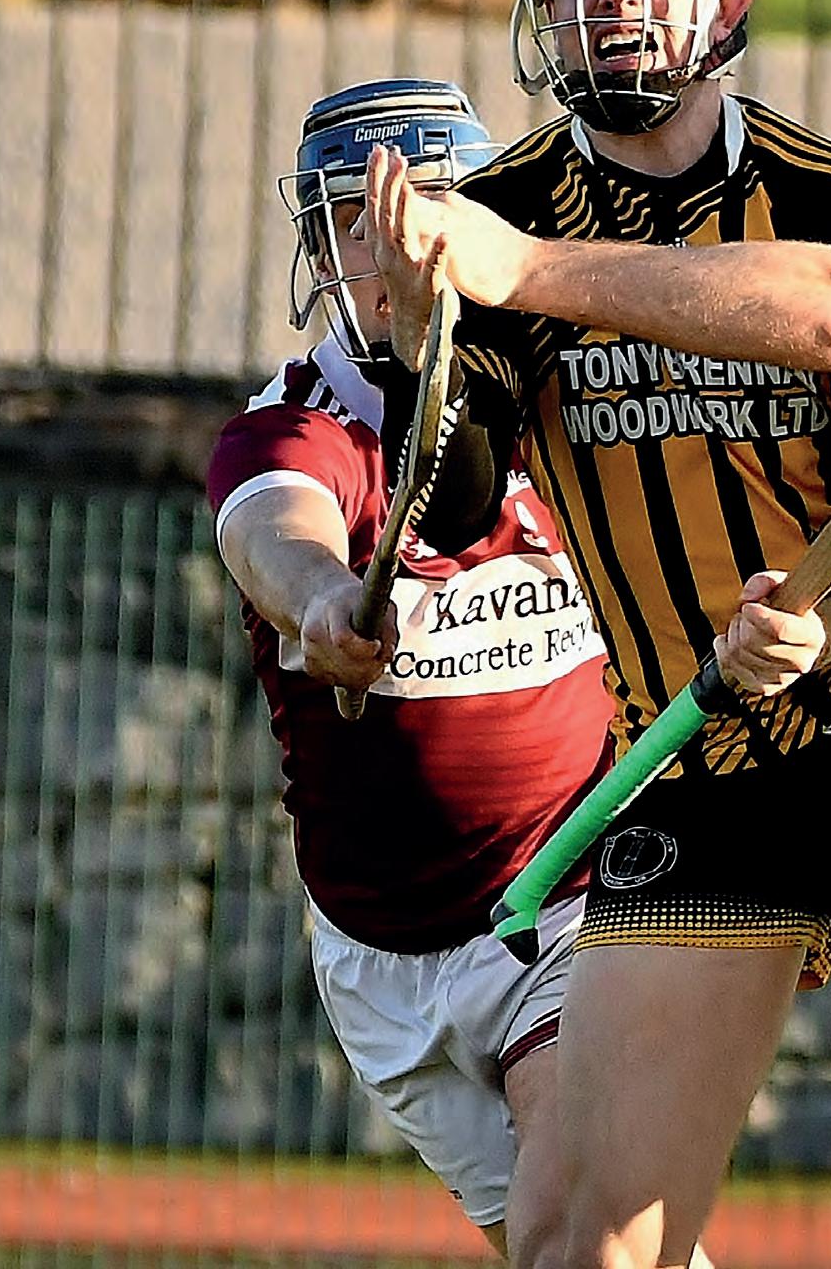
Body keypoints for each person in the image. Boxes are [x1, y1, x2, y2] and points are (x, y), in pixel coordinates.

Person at [362, 0, 831, 1269]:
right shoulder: (498, 214)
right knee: (582, 1241)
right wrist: (417, 352)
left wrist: (828, 629)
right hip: (697, 768)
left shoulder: (830, 203)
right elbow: (456, 509)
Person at [207, 77, 634, 1269]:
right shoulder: (294, 426)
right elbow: (272, 528)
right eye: (359, 220)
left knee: (582, 1244)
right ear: (318, 251)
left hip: (567, 902)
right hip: (375, 954)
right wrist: (320, 599)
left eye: (427, 209)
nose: (395, 246)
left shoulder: (567, 410)